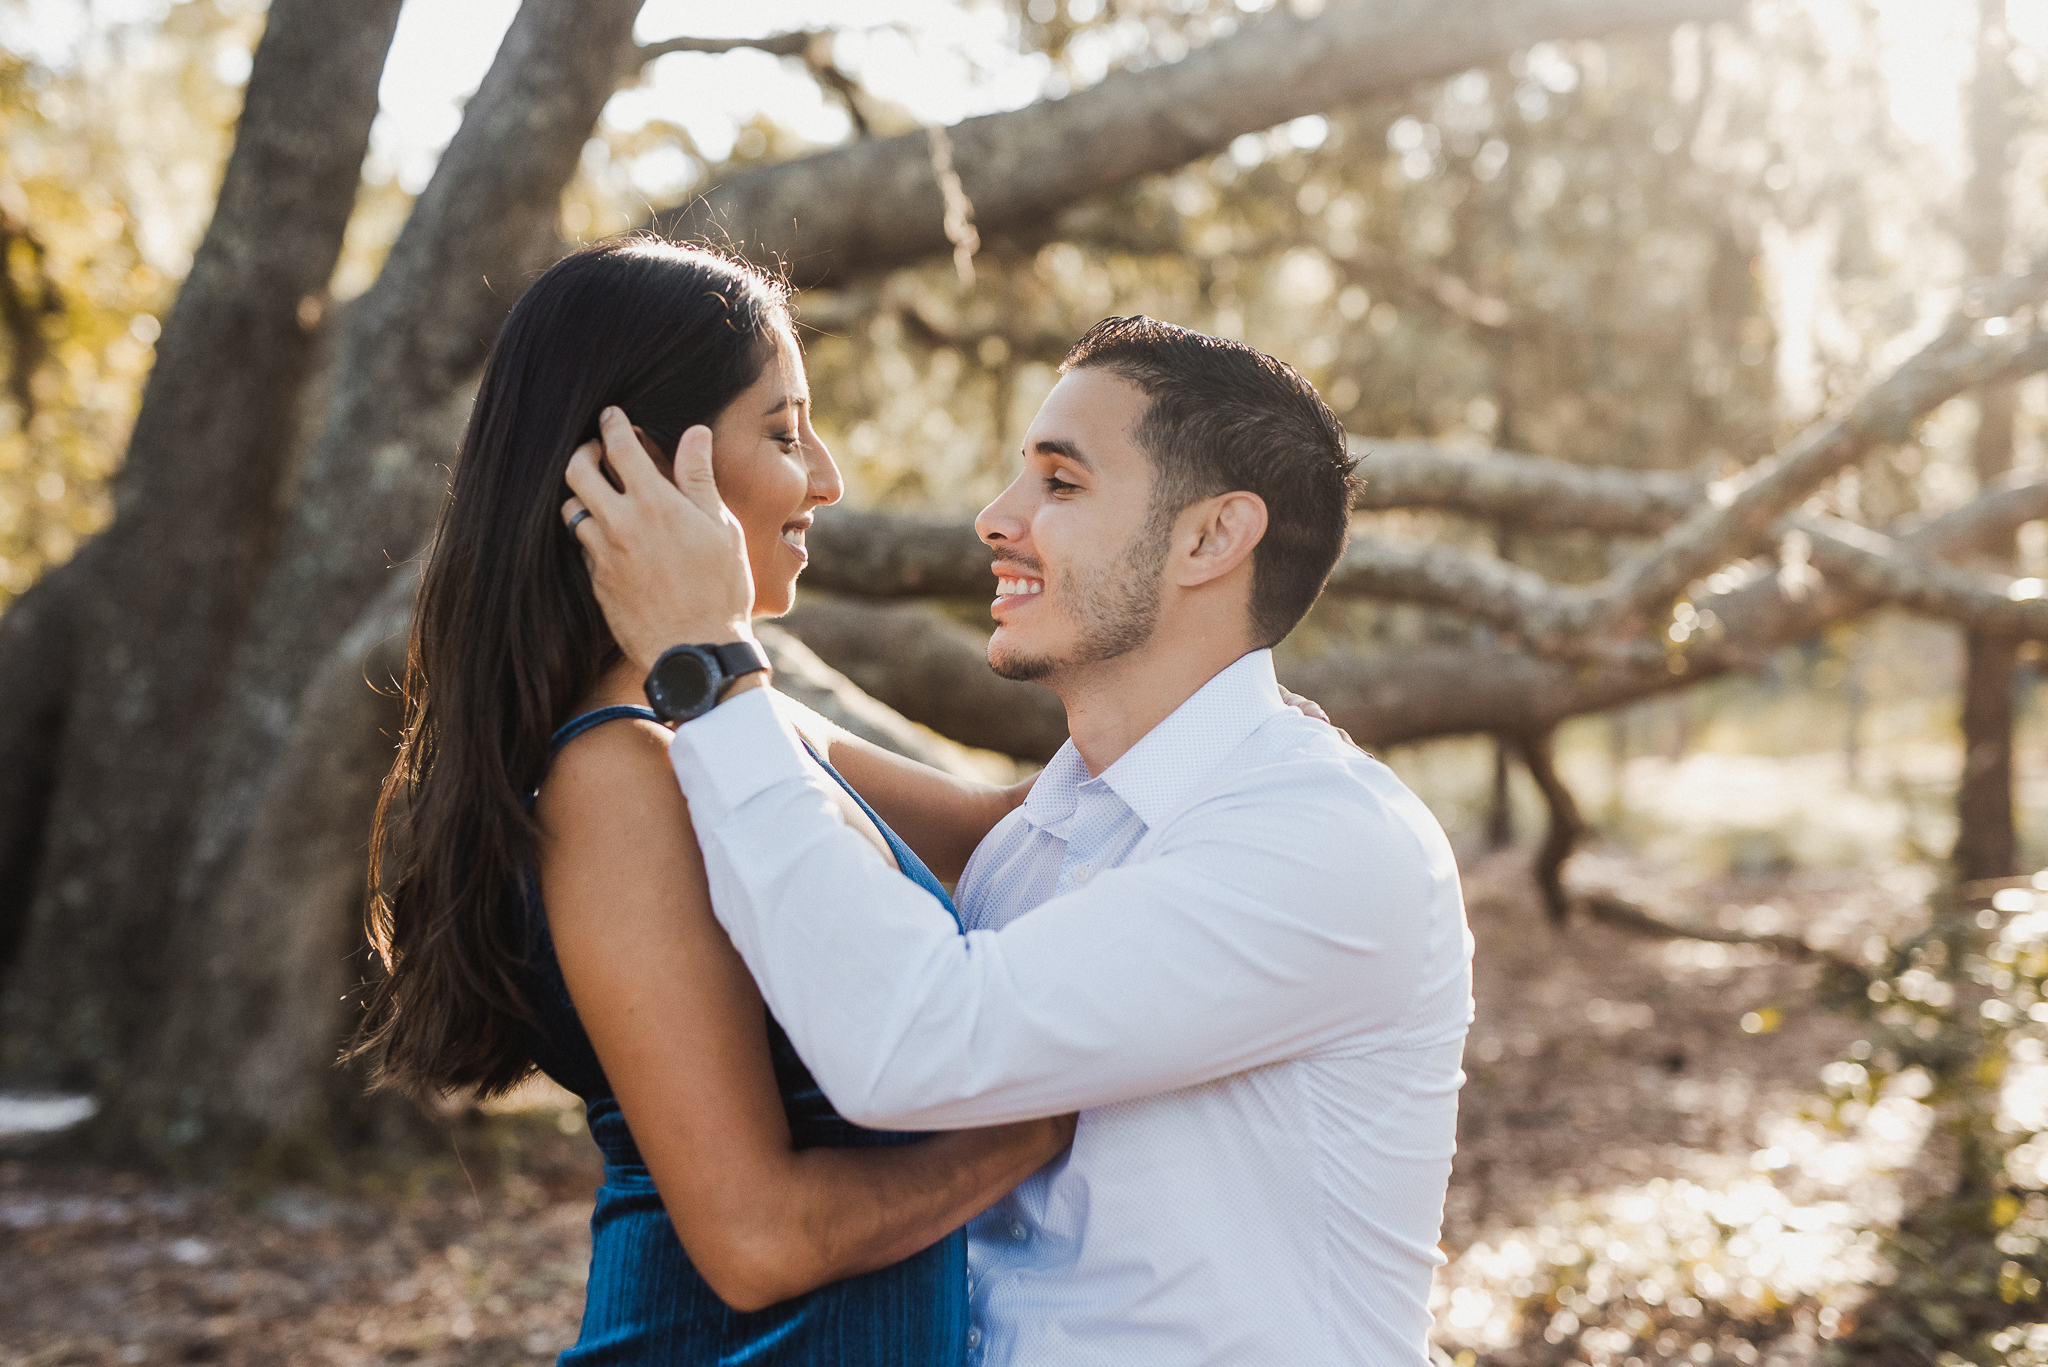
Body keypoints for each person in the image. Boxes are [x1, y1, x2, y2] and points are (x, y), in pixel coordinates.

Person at [563, 315, 1477, 1366]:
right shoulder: (1032, 840)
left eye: (1060, 483)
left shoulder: (1325, 841)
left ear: (1210, 538)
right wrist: (672, 649)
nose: (995, 520)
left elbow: (910, 1044)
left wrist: (710, 661)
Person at [349, 238, 1076, 1366]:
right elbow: (755, 1237)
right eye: (783, 433)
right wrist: (1036, 1122)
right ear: (640, 466)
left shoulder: (738, 723)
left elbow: (1017, 834)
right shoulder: (617, 776)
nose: (825, 478)